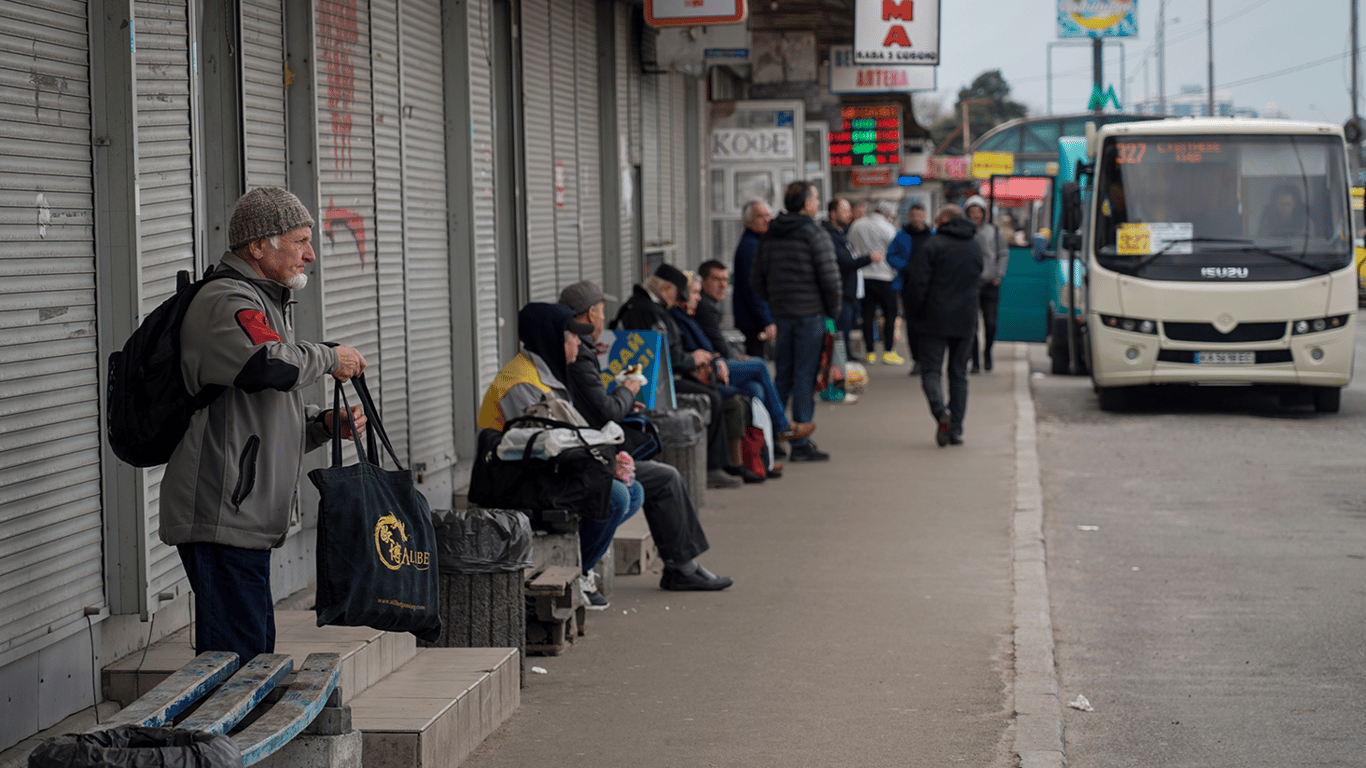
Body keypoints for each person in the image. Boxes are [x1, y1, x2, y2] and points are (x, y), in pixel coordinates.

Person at [160, 187, 368, 665]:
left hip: (243, 514)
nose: (310, 254)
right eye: (299, 241)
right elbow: (266, 367)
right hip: (222, 512)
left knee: (250, 655)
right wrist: (330, 356)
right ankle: (220, 742)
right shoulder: (228, 300)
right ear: (257, 246)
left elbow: (259, 409)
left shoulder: (264, 302)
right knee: (238, 661)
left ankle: (228, 738)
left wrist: (320, 426)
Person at [558, 283, 734, 591]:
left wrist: (620, 397)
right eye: (601, 312)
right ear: (590, 314)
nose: (603, 320)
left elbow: (597, 406)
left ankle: (682, 565)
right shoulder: (579, 357)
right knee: (659, 481)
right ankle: (680, 567)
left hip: (589, 449)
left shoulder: (581, 353)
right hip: (588, 456)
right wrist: (627, 390)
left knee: (654, 481)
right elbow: (605, 411)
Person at [611, 263, 744, 489]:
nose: (678, 301)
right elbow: (665, 355)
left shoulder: (646, 308)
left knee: (718, 394)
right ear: (666, 288)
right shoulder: (648, 311)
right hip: (653, 383)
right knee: (712, 398)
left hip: (658, 377)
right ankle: (714, 467)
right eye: (678, 295)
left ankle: (724, 464)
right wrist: (692, 360)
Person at [752, 180, 842, 462]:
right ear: (805, 204)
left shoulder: (770, 235)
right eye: (815, 198)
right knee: (805, 376)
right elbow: (830, 278)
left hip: (782, 315)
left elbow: (756, 279)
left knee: (783, 375)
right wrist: (832, 311)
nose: (817, 203)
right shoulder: (814, 234)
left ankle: (777, 437)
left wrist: (777, 301)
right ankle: (801, 443)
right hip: (810, 315)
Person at [695, 259, 813, 447]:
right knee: (758, 365)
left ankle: (761, 454)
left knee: (754, 389)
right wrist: (732, 357)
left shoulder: (709, 306)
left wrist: (733, 356)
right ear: (702, 282)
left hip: (718, 362)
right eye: (717, 279)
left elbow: (716, 341)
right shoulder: (705, 307)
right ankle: (781, 427)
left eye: (726, 280)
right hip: (710, 368)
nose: (723, 285)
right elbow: (717, 344)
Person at [668, 273, 765, 485]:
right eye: (694, 292)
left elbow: (709, 348)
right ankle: (739, 460)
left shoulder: (689, 317)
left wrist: (718, 359)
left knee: (753, 387)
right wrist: (711, 361)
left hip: (711, 371)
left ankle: (755, 456)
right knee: (753, 374)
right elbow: (686, 355)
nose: (698, 297)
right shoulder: (677, 318)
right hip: (698, 377)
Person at [906, 206, 983, 447]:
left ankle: (941, 413)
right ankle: (956, 430)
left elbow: (918, 284)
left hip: (934, 319)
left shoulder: (933, 244)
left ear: (943, 220)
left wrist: (915, 314)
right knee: (959, 375)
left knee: (931, 372)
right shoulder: (974, 246)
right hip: (965, 319)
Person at [848, 199, 904, 365]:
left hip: (863, 276)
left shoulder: (857, 225)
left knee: (867, 315)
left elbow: (850, 247)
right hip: (885, 276)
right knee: (890, 313)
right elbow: (895, 252)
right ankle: (888, 351)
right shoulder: (888, 228)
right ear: (887, 214)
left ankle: (870, 352)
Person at [887, 202, 934, 375]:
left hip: (930, 287)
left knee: (929, 324)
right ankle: (917, 360)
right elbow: (890, 256)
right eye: (914, 215)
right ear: (910, 216)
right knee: (913, 325)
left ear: (925, 216)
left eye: (920, 215)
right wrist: (905, 266)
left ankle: (928, 359)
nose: (917, 218)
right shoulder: (902, 235)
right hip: (909, 286)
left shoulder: (932, 235)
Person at [964, 195, 1009, 374]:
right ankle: (974, 360)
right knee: (972, 325)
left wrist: (999, 275)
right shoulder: (964, 231)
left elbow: (1003, 253)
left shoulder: (994, 232)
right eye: (972, 212)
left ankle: (987, 352)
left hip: (991, 283)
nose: (975, 215)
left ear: (984, 213)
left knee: (990, 323)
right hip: (971, 285)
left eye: (978, 212)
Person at [822, 198, 871, 361]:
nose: (849, 215)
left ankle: (844, 359)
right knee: (836, 331)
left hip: (847, 294)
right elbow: (845, 262)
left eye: (850, 211)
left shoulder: (841, 233)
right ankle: (839, 364)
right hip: (837, 295)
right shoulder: (829, 236)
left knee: (844, 329)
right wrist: (868, 258)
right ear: (833, 214)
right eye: (845, 211)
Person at [732, 201, 777, 357]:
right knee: (757, 361)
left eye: (768, 216)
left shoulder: (759, 242)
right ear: (747, 222)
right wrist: (766, 320)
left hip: (756, 318)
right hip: (754, 321)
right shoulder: (750, 246)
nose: (766, 220)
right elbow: (753, 287)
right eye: (760, 216)